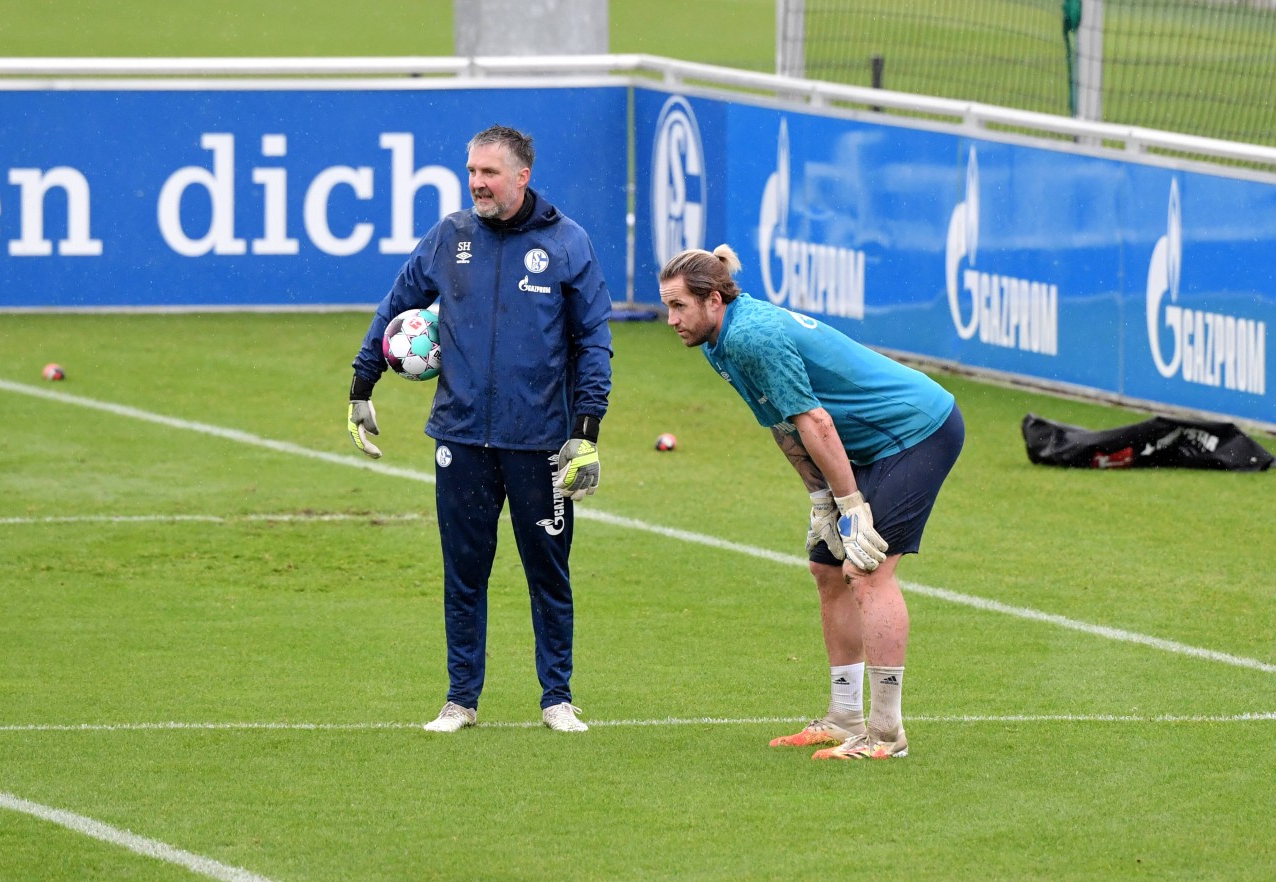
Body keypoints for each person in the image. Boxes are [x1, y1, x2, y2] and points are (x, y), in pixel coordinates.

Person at [347, 125, 613, 734]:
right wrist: (363, 384)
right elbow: (396, 307)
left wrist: (586, 431)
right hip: (461, 436)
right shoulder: (450, 237)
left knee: (548, 572)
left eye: (489, 173)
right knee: (464, 572)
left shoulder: (568, 244)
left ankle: (557, 698)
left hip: (541, 441)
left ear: (522, 176)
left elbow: (594, 340)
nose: (476, 183)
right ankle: (460, 699)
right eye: (471, 171)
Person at [658, 245, 963, 760]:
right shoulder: (718, 342)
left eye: (678, 306)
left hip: (916, 431)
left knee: (867, 569)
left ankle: (887, 734)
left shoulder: (754, 336)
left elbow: (815, 422)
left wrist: (853, 505)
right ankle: (845, 717)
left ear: (713, 299)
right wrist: (823, 501)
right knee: (827, 568)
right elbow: (783, 424)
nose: (670, 320)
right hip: (862, 445)